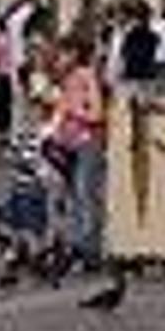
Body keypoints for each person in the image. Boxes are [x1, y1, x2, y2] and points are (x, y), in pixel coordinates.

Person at [38, 31, 107, 269]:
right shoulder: (64, 79)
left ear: (76, 54)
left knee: (85, 193)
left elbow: (97, 113)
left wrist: (73, 112)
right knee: (74, 196)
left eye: (64, 54)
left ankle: (90, 249)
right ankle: (79, 245)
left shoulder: (88, 77)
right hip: (67, 144)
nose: (60, 58)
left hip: (88, 141)